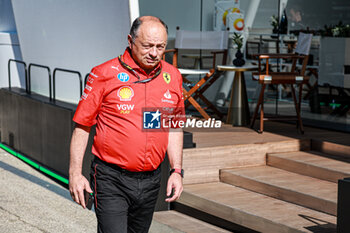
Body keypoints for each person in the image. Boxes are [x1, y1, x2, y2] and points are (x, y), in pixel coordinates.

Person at [69, 16, 185, 233]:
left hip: (151, 180)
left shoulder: (173, 76)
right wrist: (75, 173)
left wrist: (176, 171)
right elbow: (82, 126)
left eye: (160, 47)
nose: (154, 53)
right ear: (130, 40)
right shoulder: (104, 73)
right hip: (111, 179)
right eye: (147, 46)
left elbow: (173, 127)